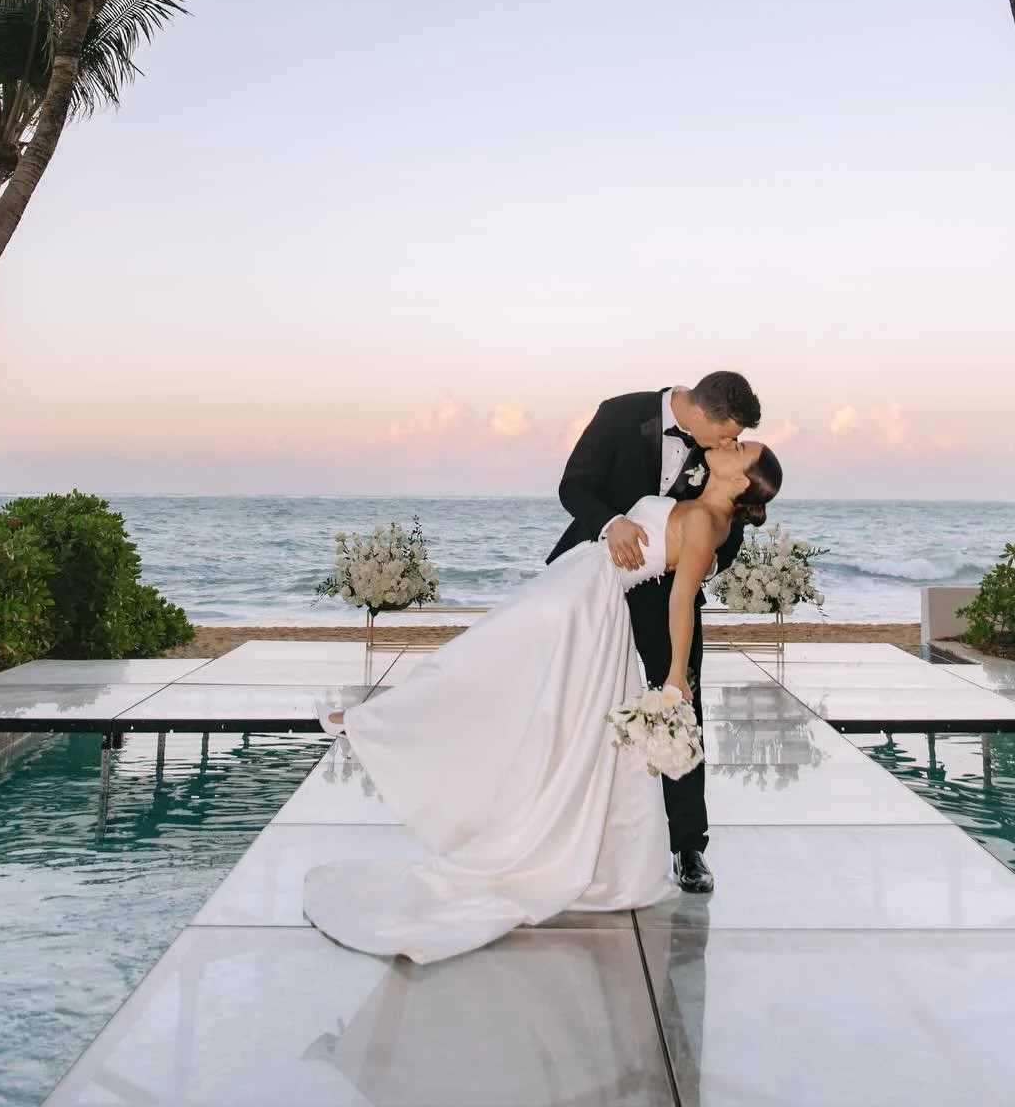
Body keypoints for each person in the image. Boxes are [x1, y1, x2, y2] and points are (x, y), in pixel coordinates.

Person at [303, 438, 782, 964]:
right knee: (513, 678)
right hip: (585, 579)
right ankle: (389, 725)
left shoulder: (708, 522)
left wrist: (674, 676)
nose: (730, 443)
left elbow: (681, 598)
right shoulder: (702, 503)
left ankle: (375, 721)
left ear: (740, 482)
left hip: (586, 599)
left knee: (480, 655)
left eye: (741, 448)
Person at [549, 372, 761, 893]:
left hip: (670, 591)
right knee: (564, 695)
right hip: (597, 571)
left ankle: (689, 845)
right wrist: (612, 521)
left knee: (680, 702)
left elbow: (729, 521)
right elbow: (573, 485)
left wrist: (699, 564)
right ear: (700, 417)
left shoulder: (724, 461)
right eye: (726, 434)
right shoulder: (620, 412)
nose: (728, 445)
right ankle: (558, 820)